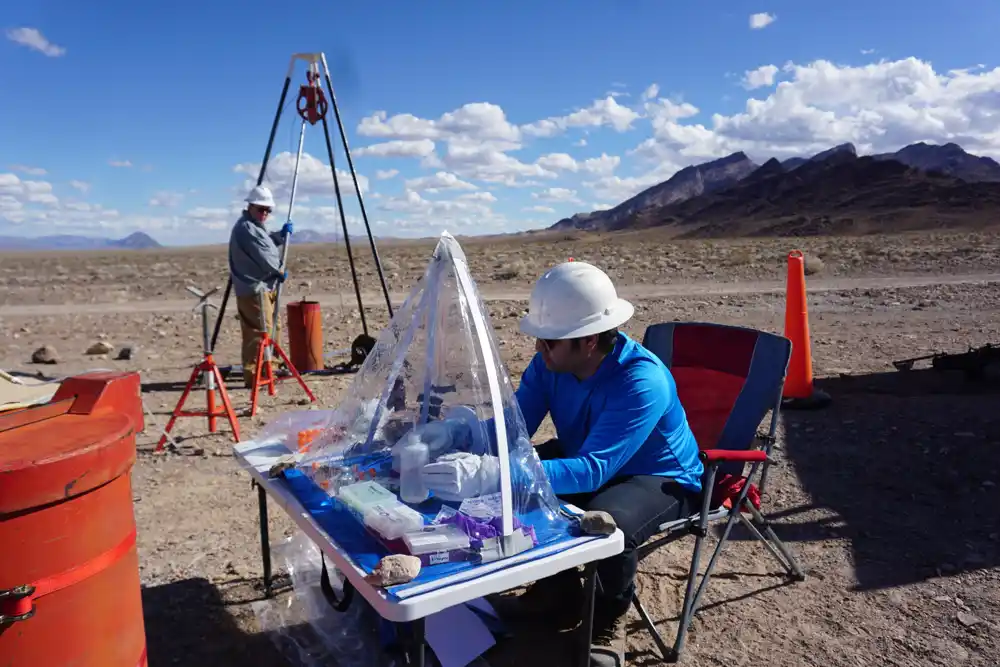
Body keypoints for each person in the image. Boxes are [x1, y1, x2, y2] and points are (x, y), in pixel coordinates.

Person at [499, 260, 705, 667]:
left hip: (660, 477)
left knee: (607, 519)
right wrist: (459, 435)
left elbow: (593, 470)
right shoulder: (550, 364)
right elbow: (513, 426)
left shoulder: (641, 380)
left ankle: (608, 618)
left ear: (589, 340)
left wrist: (502, 473)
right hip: (592, 459)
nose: (539, 350)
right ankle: (558, 594)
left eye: (550, 341)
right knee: (523, 474)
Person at [228, 185, 293, 387]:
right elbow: (265, 255)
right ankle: (255, 375)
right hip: (254, 289)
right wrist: (279, 270)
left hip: (264, 288)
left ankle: (269, 369)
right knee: (259, 333)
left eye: (268, 210)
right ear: (250, 206)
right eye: (261, 209)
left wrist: (280, 237)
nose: (265, 213)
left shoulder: (254, 225)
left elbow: (267, 243)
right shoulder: (247, 228)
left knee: (273, 328)